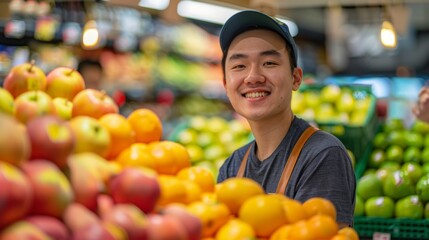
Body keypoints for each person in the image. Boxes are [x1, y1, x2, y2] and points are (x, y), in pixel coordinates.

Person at [216, 10, 356, 228]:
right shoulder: (232, 166)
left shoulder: (323, 155)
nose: (253, 77)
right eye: (239, 66)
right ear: (226, 84)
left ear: (296, 78)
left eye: (269, 63)